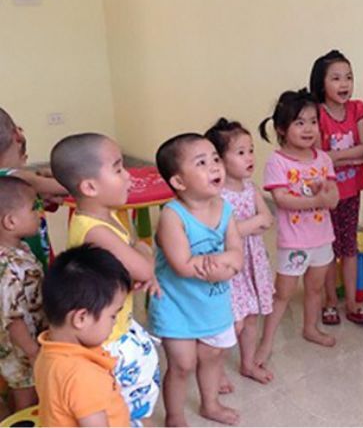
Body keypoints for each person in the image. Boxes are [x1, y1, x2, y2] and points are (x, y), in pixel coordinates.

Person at [50, 133, 161, 426]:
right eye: (117, 168)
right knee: (121, 409)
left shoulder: (109, 217)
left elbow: (137, 257)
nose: (128, 176)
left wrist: (138, 257)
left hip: (118, 324)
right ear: (89, 186)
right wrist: (142, 256)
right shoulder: (95, 231)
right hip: (108, 339)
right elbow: (145, 267)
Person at [149, 133, 244, 426]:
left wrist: (225, 267)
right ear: (179, 182)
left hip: (213, 302)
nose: (215, 167)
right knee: (182, 364)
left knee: (213, 356)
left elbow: (237, 254)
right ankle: (175, 416)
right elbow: (181, 265)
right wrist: (220, 264)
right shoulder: (172, 215)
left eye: (216, 158)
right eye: (202, 163)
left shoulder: (225, 209)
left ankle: (210, 404)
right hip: (176, 305)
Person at [256, 89, 339, 367]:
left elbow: (334, 199)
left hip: (322, 239)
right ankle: (265, 342)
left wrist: (324, 190)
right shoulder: (277, 162)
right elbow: (282, 200)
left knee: (315, 289)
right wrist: (317, 197)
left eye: (313, 121)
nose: (308, 129)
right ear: (282, 128)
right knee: (283, 294)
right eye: (299, 122)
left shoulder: (324, 160)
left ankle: (310, 328)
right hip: (293, 242)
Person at [205, 118, 275, 385]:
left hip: (253, 262)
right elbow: (221, 234)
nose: (249, 157)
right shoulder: (217, 197)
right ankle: (217, 371)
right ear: (220, 161)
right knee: (231, 322)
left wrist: (248, 225)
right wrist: (251, 225)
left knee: (251, 317)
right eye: (241, 152)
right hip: (232, 268)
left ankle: (247, 363)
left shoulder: (250, 188)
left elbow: (267, 218)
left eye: (251, 150)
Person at [309, 50, 363, 326]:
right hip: (326, 193)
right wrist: (351, 156)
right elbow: (316, 154)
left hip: (351, 190)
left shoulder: (356, 109)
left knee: (348, 248)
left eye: (348, 77)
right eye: (336, 78)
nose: (344, 83)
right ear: (321, 83)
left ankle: (352, 303)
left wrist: (335, 156)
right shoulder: (316, 115)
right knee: (327, 250)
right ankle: (329, 303)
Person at [34, 244, 132, 427]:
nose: (115, 323)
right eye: (113, 315)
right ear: (81, 318)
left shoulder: (48, 350)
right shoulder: (82, 375)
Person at [0, 107, 67, 268]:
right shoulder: (18, 176)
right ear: (17, 136)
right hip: (30, 254)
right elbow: (68, 185)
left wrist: (38, 199)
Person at [0, 177, 45, 412]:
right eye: (33, 208)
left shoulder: (21, 248)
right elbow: (13, 318)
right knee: (26, 399)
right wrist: (32, 352)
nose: (40, 213)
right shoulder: (6, 267)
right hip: (20, 349)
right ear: (10, 221)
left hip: (31, 338)